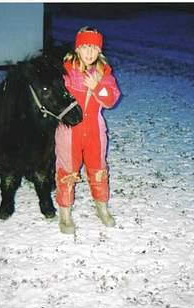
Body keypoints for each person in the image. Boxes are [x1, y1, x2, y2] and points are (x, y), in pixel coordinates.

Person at [55, 26, 121, 234]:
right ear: (77, 48)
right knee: (68, 170)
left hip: (95, 130)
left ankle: (102, 207)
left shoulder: (104, 73)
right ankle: (65, 214)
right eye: (85, 47)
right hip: (69, 131)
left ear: (99, 50)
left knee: (98, 168)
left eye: (94, 48)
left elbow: (111, 99)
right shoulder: (65, 71)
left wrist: (97, 86)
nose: (90, 53)